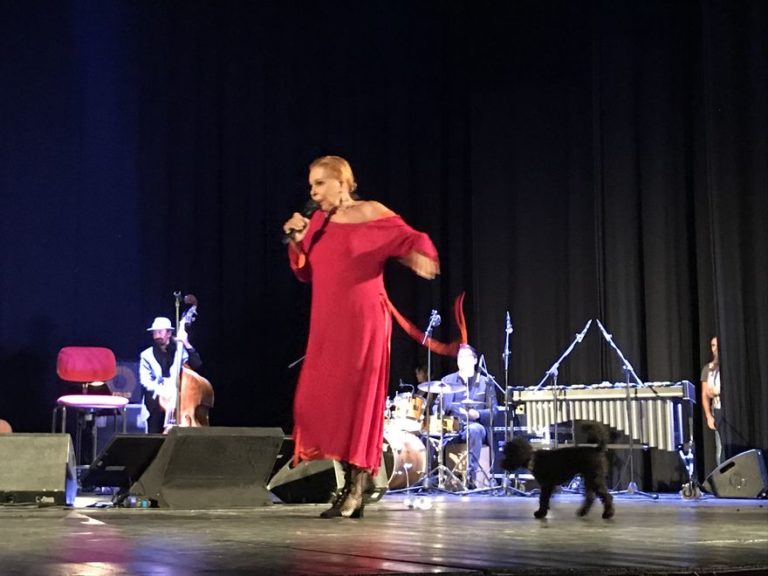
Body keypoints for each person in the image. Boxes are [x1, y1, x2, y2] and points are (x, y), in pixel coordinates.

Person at [283, 155, 439, 519]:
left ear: (342, 183)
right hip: (327, 322)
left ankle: (355, 486)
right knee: (313, 403)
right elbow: (306, 272)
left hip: (364, 319)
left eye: (320, 183)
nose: (313, 192)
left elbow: (412, 237)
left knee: (356, 402)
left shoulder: (370, 212)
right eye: (311, 185)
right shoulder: (317, 223)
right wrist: (297, 240)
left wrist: (420, 256)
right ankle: (354, 480)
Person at [439, 344, 498, 489]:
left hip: (475, 425)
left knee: (474, 430)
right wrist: (439, 412)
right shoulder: (447, 380)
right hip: (452, 426)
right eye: (460, 357)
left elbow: (494, 411)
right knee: (427, 434)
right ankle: (430, 478)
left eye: (466, 357)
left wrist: (477, 414)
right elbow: (437, 406)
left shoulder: (485, 382)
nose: (462, 361)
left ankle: (470, 477)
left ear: (475, 360)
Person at [139, 316, 202, 434]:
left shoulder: (179, 351)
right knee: (154, 435)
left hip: (178, 403)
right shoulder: (146, 355)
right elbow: (145, 381)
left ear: (169, 333)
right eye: (154, 332)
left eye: (160, 331)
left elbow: (196, 364)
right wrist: (163, 391)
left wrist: (186, 343)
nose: (157, 335)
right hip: (155, 404)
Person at [701, 336, 722, 466]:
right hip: (718, 410)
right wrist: (709, 416)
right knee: (720, 448)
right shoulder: (708, 369)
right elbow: (705, 394)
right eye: (713, 346)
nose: (715, 349)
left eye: (717, 346)